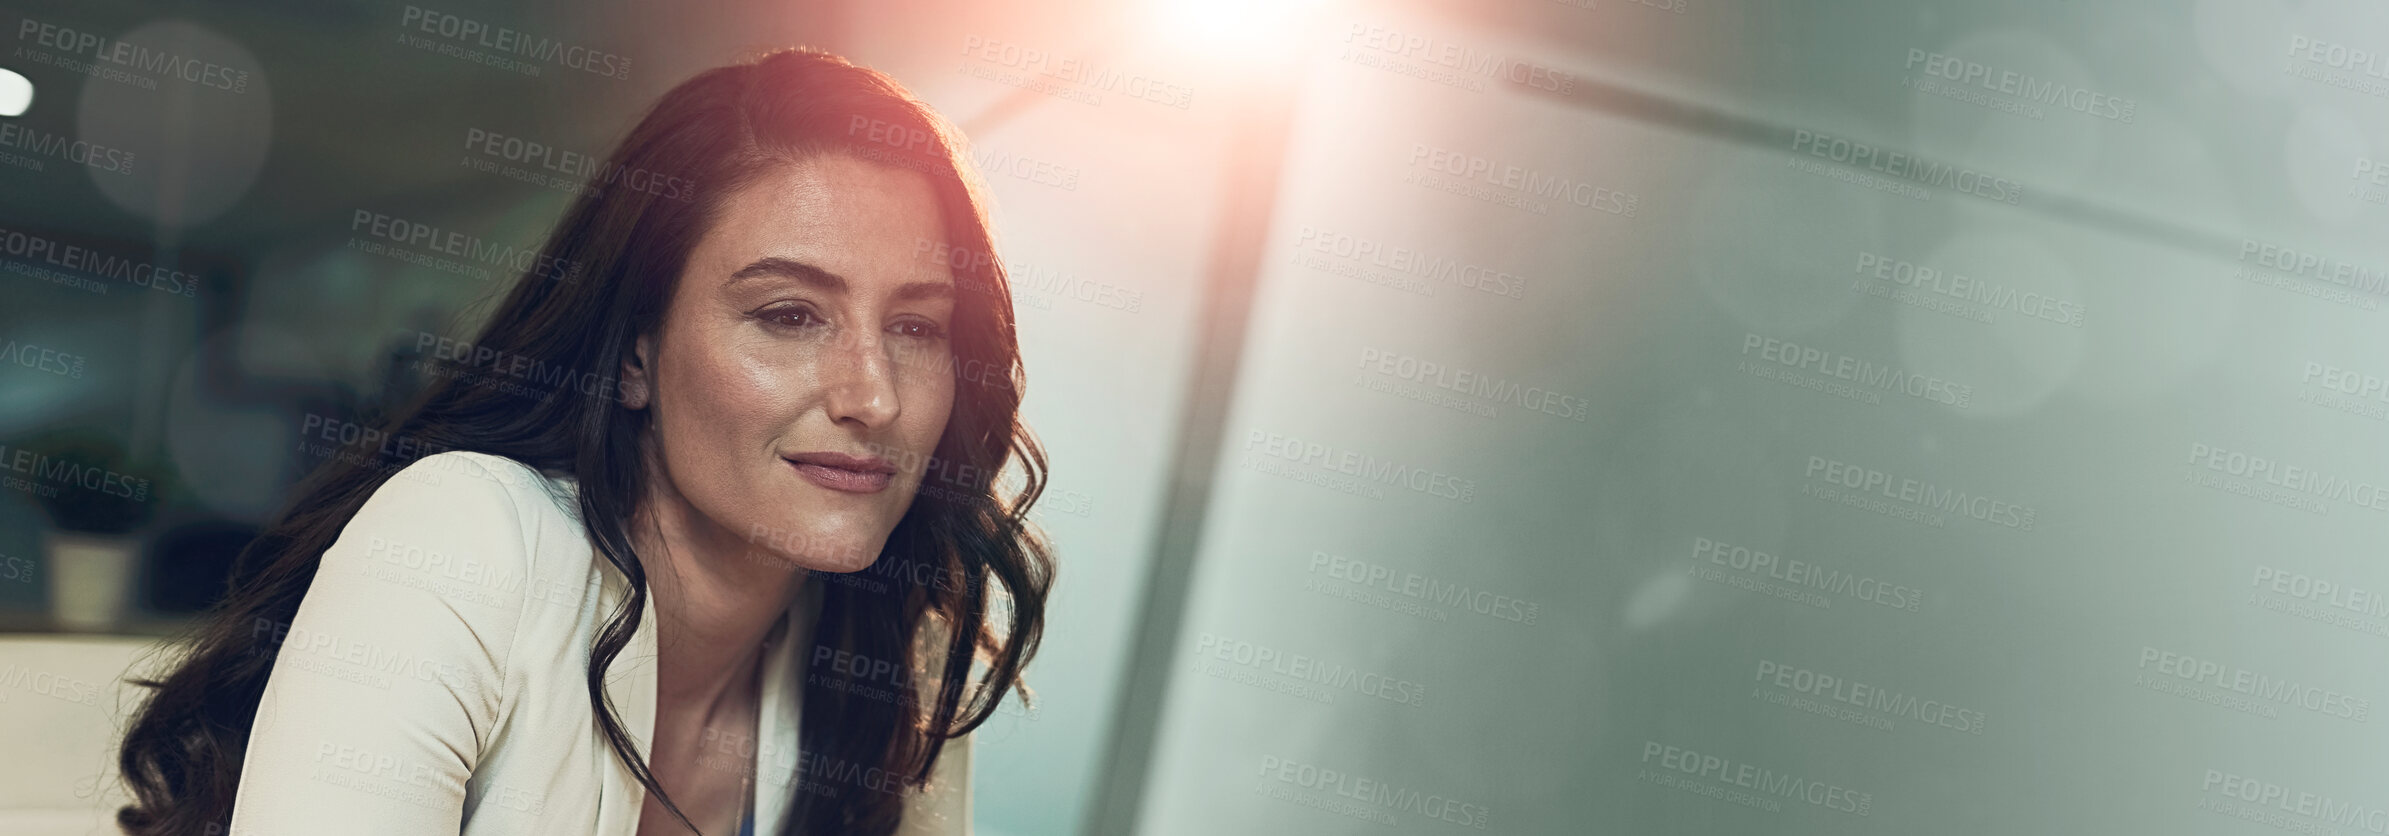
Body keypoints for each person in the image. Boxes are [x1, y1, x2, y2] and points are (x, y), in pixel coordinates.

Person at [113, 47, 1054, 836]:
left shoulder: (896, 647)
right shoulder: (467, 536)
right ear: (637, 352)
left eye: (918, 328)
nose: (873, 396)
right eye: (789, 314)